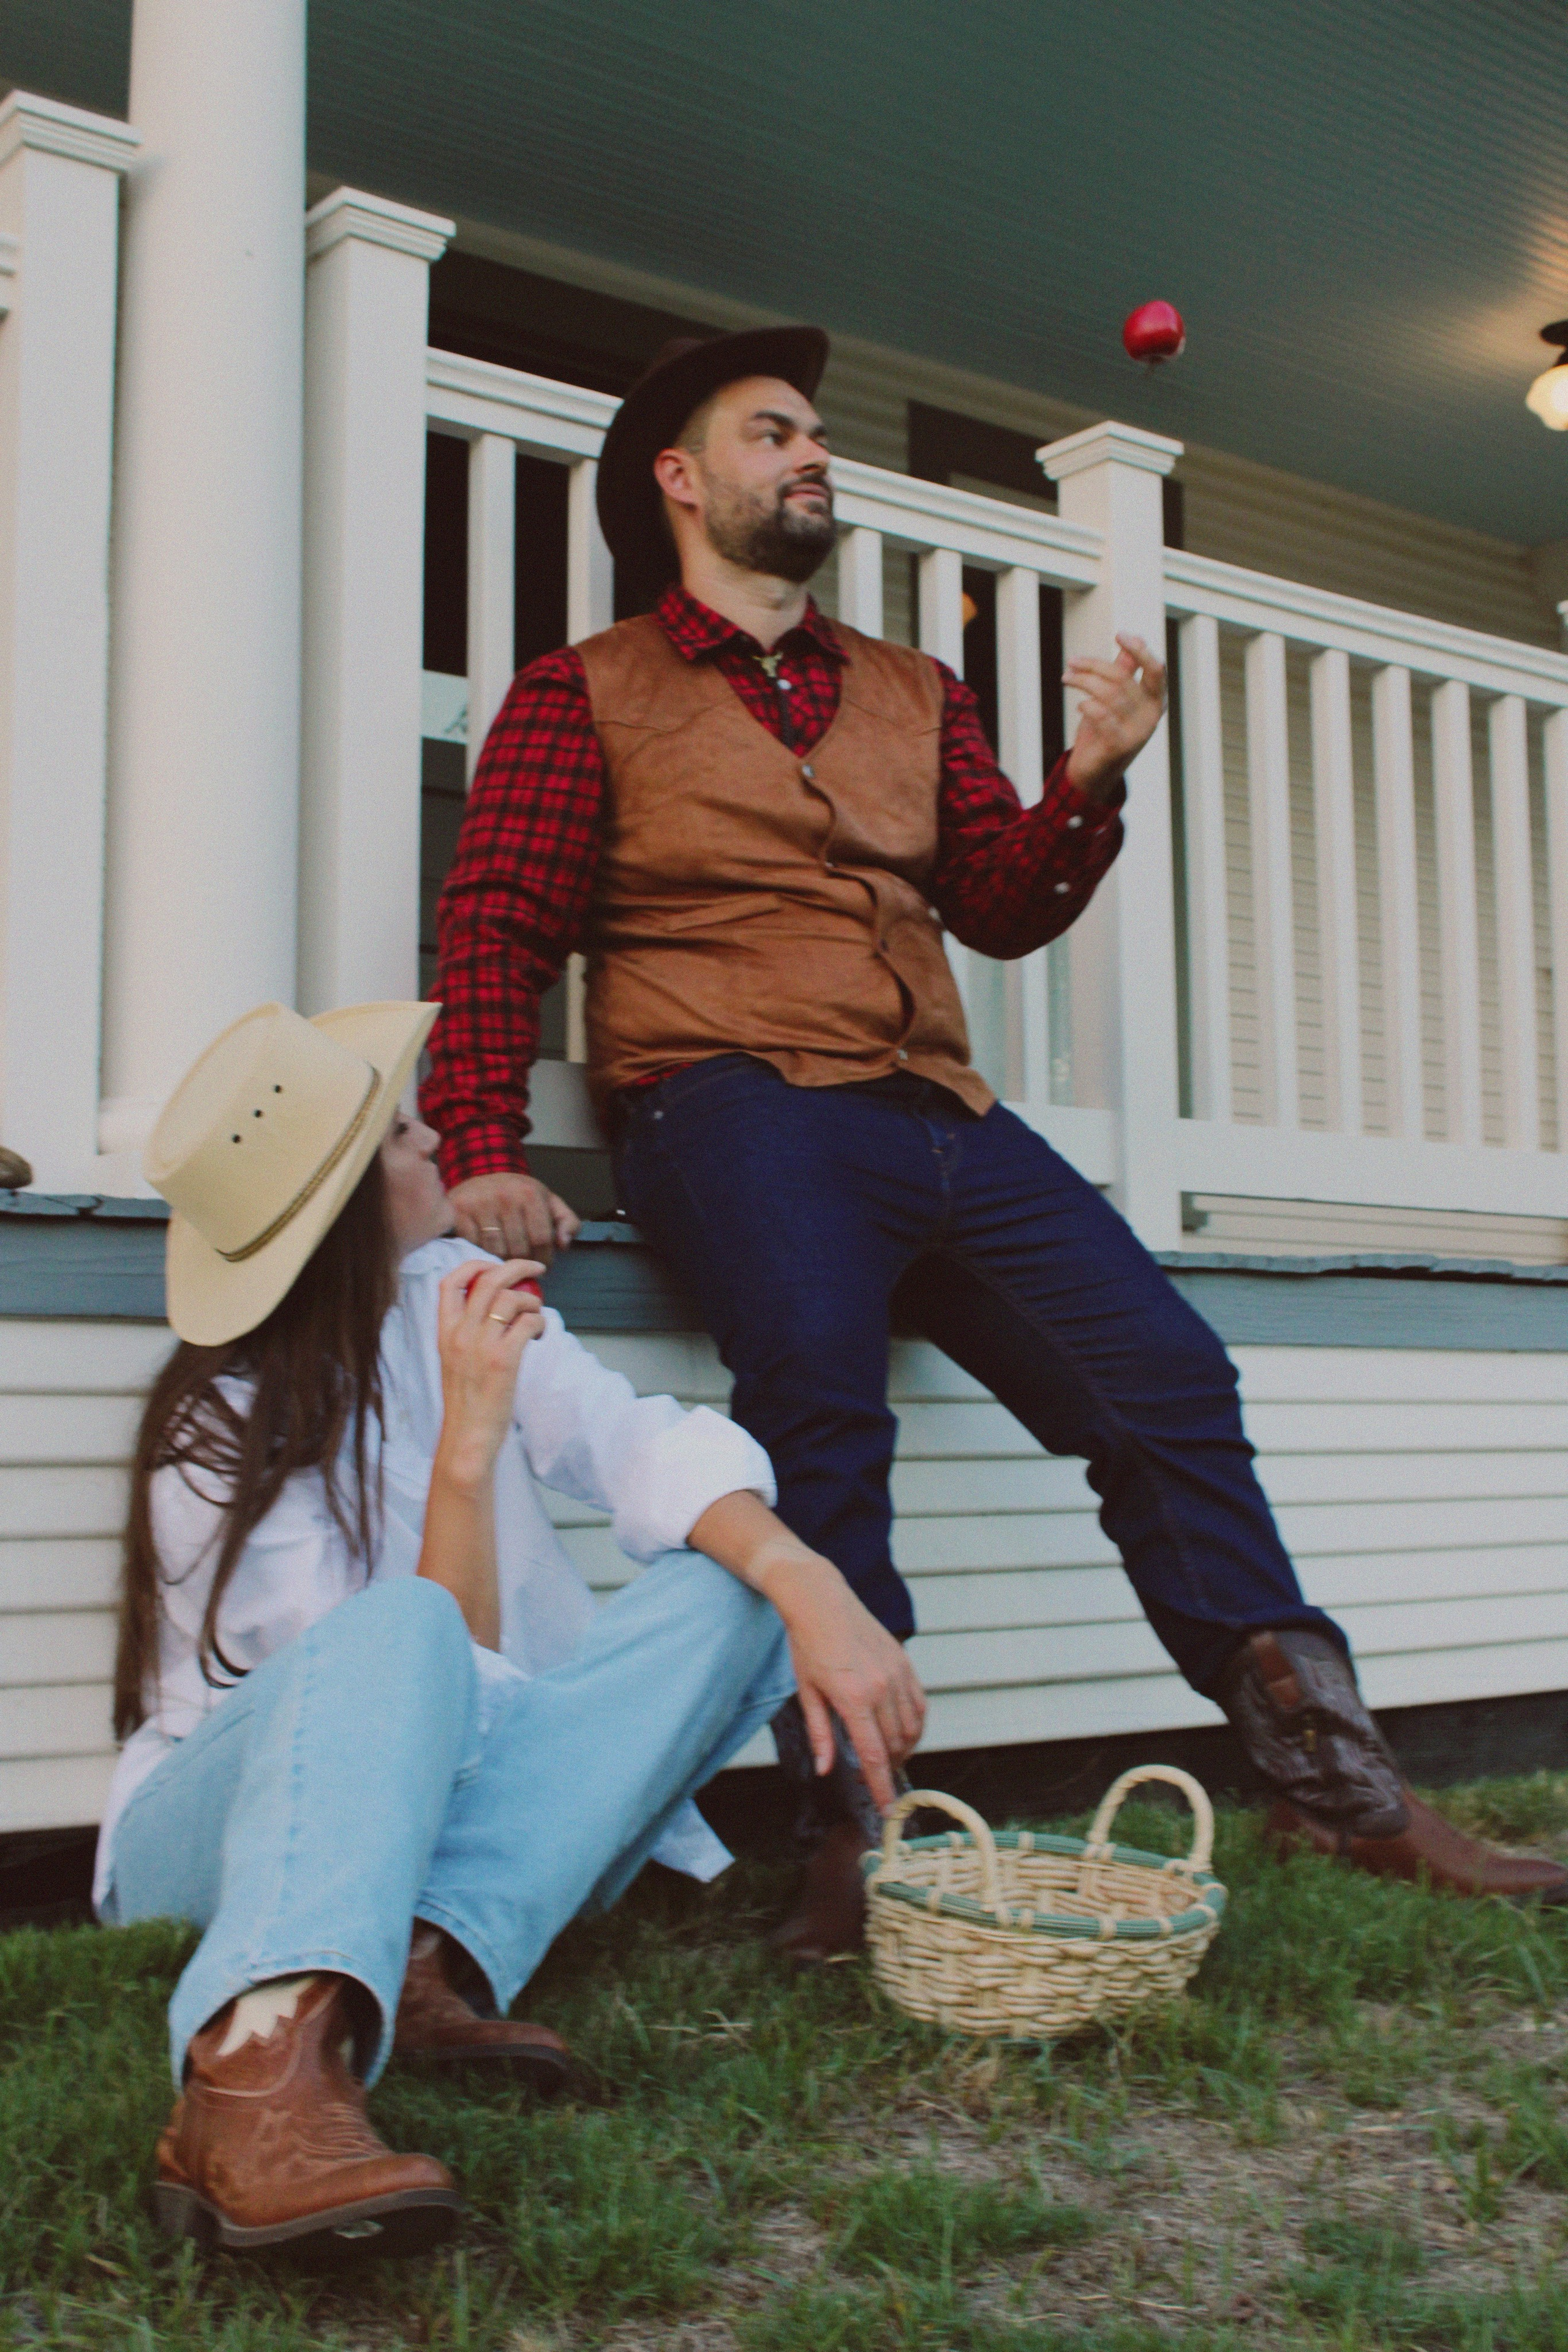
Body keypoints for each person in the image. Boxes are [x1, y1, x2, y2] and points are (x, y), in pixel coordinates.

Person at [423, 323, 1568, 1954]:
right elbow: (494, 928)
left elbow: (1001, 904)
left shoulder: (911, 689)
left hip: (941, 1110)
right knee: (820, 1413)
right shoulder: (582, 693)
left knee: (1169, 1380)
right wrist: (481, 1139)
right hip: (727, 1095)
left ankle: (1340, 1793)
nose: (813, 454)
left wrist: (1092, 779)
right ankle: (859, 1835)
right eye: (773, 433)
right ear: (679, 481)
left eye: (819, 434)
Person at [100, 997, 924, 2260]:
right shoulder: (211, 1437)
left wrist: (812, 1583)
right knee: (400, 1633)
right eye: (400, 1134)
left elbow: (631, 1439)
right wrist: (471, 1452)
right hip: (222, 1845)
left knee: (735, 1586)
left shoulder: (449, 1294)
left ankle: (428, 1960)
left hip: (452, 1820)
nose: (437, 1141)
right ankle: (252, 2081)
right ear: (338, 1206)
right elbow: (424, 1710)